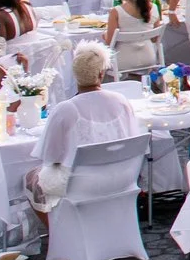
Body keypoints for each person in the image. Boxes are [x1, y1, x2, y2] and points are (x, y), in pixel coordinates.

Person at [25, 46, 138, 221]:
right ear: (101, 74)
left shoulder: (65, 109)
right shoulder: (121, 101)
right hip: (122, 176)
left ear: (75, 75)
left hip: (82, 183)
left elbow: (50, 157)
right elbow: (133, 141)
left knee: (32, 177)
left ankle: (59, 234)